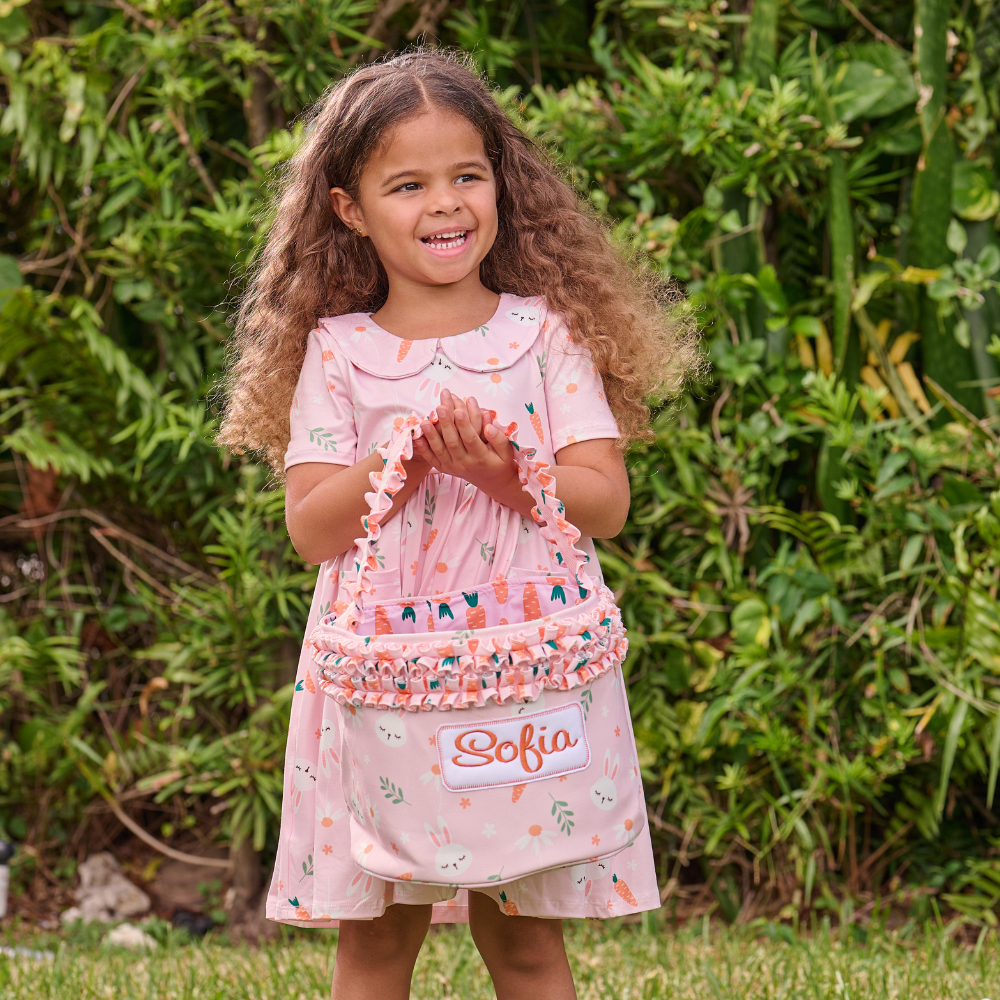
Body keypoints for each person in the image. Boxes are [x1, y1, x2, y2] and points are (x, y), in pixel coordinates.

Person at [220, 49, 697, 1000]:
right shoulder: (340, 353)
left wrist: (511, 476)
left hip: (521, 664)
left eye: (466, 176)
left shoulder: (544, 334)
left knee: (525, 943)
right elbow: (312, 527)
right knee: (377, 944)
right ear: (350, 208)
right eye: (408, 184)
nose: (445, 204)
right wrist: (402, 460)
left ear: (500, 186)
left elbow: (604, 501)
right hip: (384, 675)